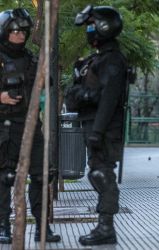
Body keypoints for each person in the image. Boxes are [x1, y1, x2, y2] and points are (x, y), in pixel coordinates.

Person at [65, 4, 127, 246]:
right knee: (97, 173)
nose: (89, 31)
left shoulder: (112, 60)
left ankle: (105, 228)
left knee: (102, 175)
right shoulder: (96, 60)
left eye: (92, 26)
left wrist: (98, 132)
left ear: (103, 28)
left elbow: (109, 100)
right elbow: (75, 96)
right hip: (93, 126)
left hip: (104, 129)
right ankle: (104, 226)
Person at [0, 8, 61, 244]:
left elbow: (48, 84)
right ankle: (4, 226)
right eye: (14, 30)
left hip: (31, 125)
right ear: (5, 31)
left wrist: (45, 75)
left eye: (23, 31)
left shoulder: (32, 59)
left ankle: (42, 227)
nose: (19, 35)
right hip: (4, 126)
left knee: (41, 175)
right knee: (5, 177)